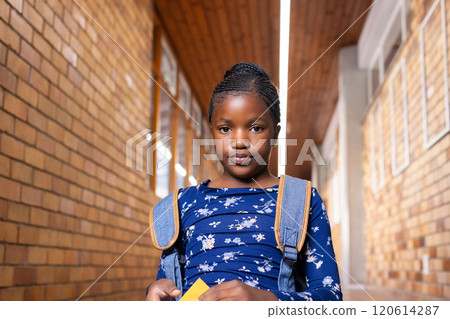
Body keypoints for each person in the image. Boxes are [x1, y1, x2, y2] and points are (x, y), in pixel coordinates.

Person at [146, 62, 342, 301]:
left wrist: (265, 300)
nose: (239, 141)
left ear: (275, 133)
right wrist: (156, 292)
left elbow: (330, 299)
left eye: (256, 127)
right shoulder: (181, 204)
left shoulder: (301, 201)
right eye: (225, 128)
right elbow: (169, 285)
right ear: (212, 132)